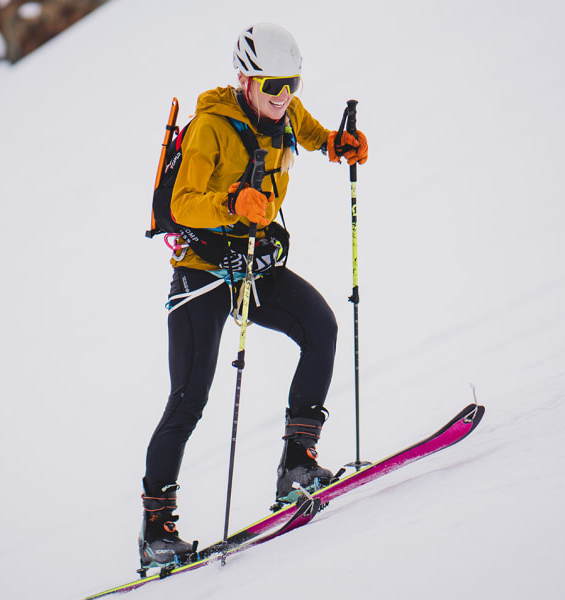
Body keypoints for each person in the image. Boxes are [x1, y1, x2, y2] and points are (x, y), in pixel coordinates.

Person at [140, 23, 369, 568]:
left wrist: (340, 146)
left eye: (291, 83)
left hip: (253, 265)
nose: (283, 95)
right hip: (202, 275)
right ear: (245, 79)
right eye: (271, 85)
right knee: (189, 400)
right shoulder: (211, 128)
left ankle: (297, 464)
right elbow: (183, 202)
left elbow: (316, 137)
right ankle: (155, 531)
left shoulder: (287, 114)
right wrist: (232, 203)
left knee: (321, 327)